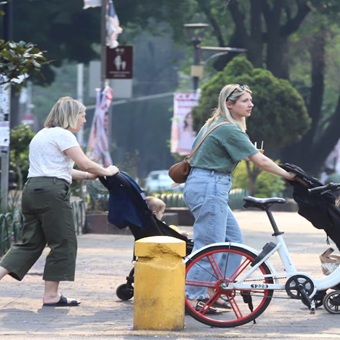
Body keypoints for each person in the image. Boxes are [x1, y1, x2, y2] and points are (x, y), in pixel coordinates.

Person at [0, 96, 119, 307]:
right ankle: (51, 295)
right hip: (52, 193)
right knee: (63, 241)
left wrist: (86, 175)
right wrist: (107, 171)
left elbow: (59, 168)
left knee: (30, 242)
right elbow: (84, 162)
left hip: (32, 190)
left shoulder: (41, 135)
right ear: (71, 115)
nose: (84, 120)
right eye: (82, 115)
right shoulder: (63, 135)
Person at [184, 84, 296, 308]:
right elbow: (261, 161)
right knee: (210, 246)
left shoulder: (214, 125)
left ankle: (213, 289)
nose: (251, 104)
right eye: (245, 101)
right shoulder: (229, 129)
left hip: (207, 184)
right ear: (229, 104)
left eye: (250, 100)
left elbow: (217, 154)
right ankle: (189, 296)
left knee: (234, 242)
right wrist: (289, 175)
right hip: (210, 185)